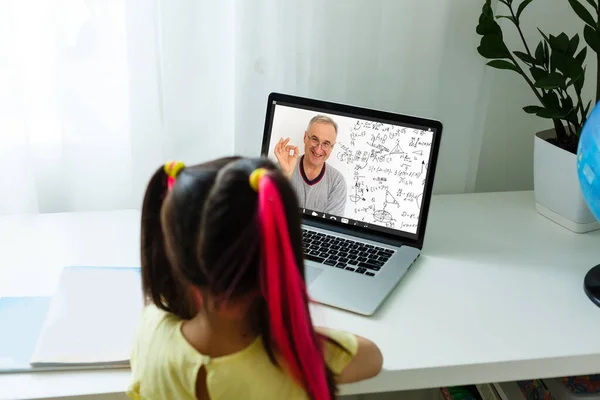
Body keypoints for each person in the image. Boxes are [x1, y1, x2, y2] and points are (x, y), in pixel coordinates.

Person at [127, 157, 383, 400]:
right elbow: (372, 357)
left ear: (178, 260)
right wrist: (291, 331)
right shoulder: (293, 361)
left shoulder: (151, 329)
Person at [274, 115, 347, 216]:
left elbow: (331, 227)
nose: (318, 150)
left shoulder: (337, 182)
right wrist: (286, 175)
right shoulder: (281, 167)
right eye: (314, 139)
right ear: (305, 138)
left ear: (332, 147)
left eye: (326, 143)